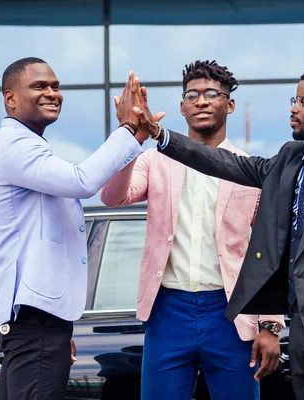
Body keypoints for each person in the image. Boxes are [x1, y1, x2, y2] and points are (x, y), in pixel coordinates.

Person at [133, 66, 304, 400]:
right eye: (294, 100)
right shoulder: (290, 158)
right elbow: (226, 165)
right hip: (299, 328)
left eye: (302, 101)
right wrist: (160, 135)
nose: (293, 108)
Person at [100, 60, 284, 400]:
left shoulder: (251, 170)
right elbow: (113, 197)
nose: (201, 101)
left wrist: (270, 324)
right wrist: (130, 138)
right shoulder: (155, 160)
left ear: (228, 105)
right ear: (182, 107)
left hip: (230, 312)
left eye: (211, 94)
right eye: (192, 95)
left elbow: (268, 252)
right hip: (168, 310)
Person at [0, 57, 150, 400]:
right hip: (33, 323)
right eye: (39, 86)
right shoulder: (14, 144)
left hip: (39, 323)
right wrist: (128, 132)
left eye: (56, 87)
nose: (52, 93)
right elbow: (82, 180)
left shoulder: (28, 145)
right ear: (10, 98)